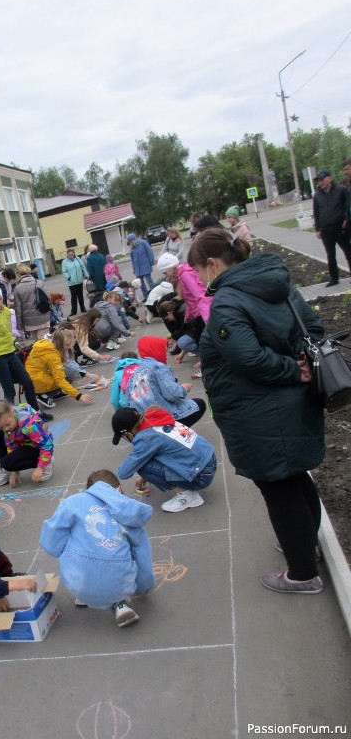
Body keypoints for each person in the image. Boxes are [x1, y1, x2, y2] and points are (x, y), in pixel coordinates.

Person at [187, 227, 326, 594]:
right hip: (290, 404)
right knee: (295, 477)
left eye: (199, 271)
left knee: (278, 485)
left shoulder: (230, 300)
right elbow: (313, 327)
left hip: (261, 410)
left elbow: (247, 357)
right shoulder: (275, 282)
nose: (200, 279)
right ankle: (306, 545)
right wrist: (300, 362)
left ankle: (302, 573)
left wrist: (291, 370)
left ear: (212, 264)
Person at [40, 469, 155, 627]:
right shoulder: (129, 512)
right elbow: (143, 558)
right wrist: (144, 587)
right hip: (119, 584)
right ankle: (120, 602)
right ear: (119, 489)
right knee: (123, 556)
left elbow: (51, 545)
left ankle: (85, 593)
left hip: (76, 581)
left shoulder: (71, 503)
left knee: (73, 539)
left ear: (89, 490)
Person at [112, 406, 217, 512]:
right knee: (146, 458)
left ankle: (188, 496)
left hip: (201, 476)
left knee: (142, 467)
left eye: (123, 437)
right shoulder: (154, 418)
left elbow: (124, 473)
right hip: (209, 459)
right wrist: (145, 477)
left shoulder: (145, 438)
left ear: (128, 433)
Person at [0, 286, 52, 420]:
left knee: (28, 382)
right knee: (9, 390)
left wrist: (17, 343)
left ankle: (35, 413)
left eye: (0, 299)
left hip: (11, 353)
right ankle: (10, 419)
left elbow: (9, 332)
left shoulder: (6, 311)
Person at [127, 337, 206, 426]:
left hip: (145, 421)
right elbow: (173, 394)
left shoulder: (134, 374)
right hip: (164, 416)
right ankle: (177, 431)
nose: (167, 354)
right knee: (199, 404)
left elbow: (129, 401)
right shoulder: (158, 367)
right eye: (164, 350)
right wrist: (184, 388)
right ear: (155, 350)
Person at [155, 252, 210, 364]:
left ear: (171, 268)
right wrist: (188, 315)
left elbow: (198, 295)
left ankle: (208, 362)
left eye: (165, 272)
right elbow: (189, 299)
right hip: (197, 312)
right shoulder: (182, 274)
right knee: (201, 339)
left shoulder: (184, 275)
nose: (166, 275)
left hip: (201, 312)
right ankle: (207, 361)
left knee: (203, 340)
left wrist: (206, 317)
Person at [0, 396, 54, 487]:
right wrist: (14, 469)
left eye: (7, 424)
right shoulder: (9, 422)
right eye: (2, 427)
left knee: (6, 463)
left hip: (38, 447)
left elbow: (47, 445)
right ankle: (6, 471)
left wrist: (40, 467)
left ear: (12, 412)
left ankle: (47, 463)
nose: (6, 429)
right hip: (24, 444)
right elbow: (11, 444)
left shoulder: (30, 425)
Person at [25, 331, 95, 410]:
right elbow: (60, 381)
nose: (70, 347)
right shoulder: (53, 355)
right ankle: (41, 395)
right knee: (65, 377)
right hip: (35, 380)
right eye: (67, 345)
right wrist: (79, 396)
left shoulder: (48, 344)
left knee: (64, 372)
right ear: (59, 344)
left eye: (70, 344)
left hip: (31, 376)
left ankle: (55, 392)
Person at [312, 170, 351, 287]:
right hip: (326, 230)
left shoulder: (340, 190)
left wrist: (347, 218)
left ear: (329, 178)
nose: (321, 182)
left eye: (322, 179)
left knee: (348, 251)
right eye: (319, 180)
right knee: (330, 254)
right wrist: (318, 229)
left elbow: (348, 205)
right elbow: (316, 212)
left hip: (340, 226)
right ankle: (334, 278)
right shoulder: (317, 195)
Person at [13, 264, 50, 339]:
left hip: (29, 322)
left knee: (37, 344)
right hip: (43, 317)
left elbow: (18, 309)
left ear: (18, 274)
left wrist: (20, 325)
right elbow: (48, 299)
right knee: (44, 343)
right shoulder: (40, 283)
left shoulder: (17, 288)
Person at [126, 233, 155, 299]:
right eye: (130, 242)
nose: (131, 243)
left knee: (149, 281)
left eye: (132, 241)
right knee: (140, 284)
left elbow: (149, 251)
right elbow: (133, 259)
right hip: (137, 268)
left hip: (145, 265)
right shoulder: (132, 248)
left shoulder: (143, 243)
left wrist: (151, 261)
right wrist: (134, 269)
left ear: (135, 239)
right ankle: (146, 297)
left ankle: (154, 294)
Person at [61, 248, 88, 317]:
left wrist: (86, 274)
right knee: (74, 296)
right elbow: (64, 271)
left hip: (79, 280)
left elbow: (83, 267)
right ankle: (73, 311)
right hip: (71, 282)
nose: (71, 256)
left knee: (80, 295)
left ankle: (83, 308)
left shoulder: (78, 259)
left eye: (72, 255)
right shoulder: (64, 262)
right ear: (67, 255)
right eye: (69, 255)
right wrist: (68, 277)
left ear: (74, 254)